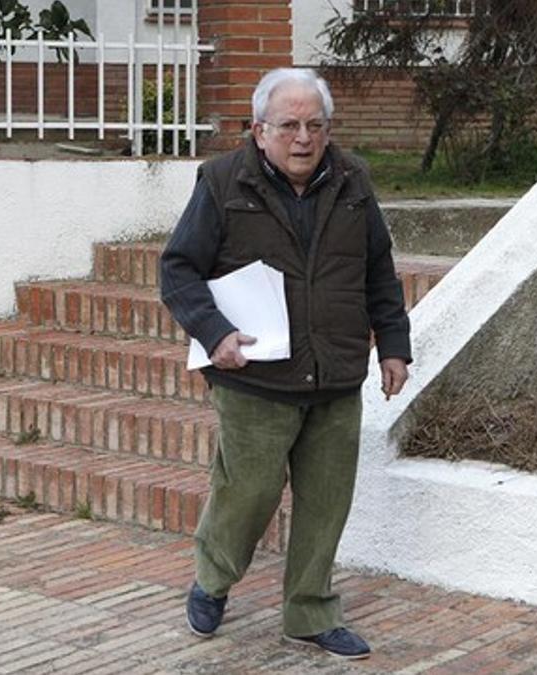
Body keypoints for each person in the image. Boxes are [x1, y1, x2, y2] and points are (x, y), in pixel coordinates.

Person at [159, 67, 411, 660]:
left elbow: (379, 268)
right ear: (259, 130)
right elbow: (178, 270)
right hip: (255, 376)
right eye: (290, 125)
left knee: (326, 503)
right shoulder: (222, 182)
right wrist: (214, 333)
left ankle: (309, 613)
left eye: (315, 125)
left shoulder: (352, 180)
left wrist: (394, 343)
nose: (304, 138)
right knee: (248, 493)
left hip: (335, 374)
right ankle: (214, 579)